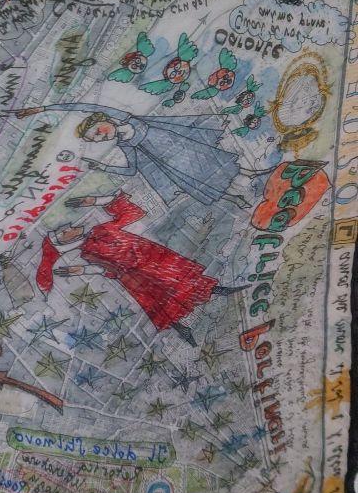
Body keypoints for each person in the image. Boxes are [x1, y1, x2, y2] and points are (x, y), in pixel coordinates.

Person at [36, 192, 244, 345]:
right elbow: (106, 268)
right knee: (156, 300)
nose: (71, 227)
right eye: (66, 232)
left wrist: (98, 200)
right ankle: (182, 329)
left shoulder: (99, 229)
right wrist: (83, 271)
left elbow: (132, 213)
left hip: (153, 257)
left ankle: (219, 290)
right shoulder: (88, 251)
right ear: (65, 241)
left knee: (180, 278)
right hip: (135, 274)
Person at [13, 101, 256, 208]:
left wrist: (43, 108)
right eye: (96, 139)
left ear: (102, 119)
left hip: (179, 144)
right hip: (171, 164)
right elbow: (131, 170)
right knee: (199, 183)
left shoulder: (124, 118)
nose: (100, 137)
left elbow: (86, 106)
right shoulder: (124, 144)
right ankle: (235, 198)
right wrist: (102, 167)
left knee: (212, 159)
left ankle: (251, 172)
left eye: (96, 132)